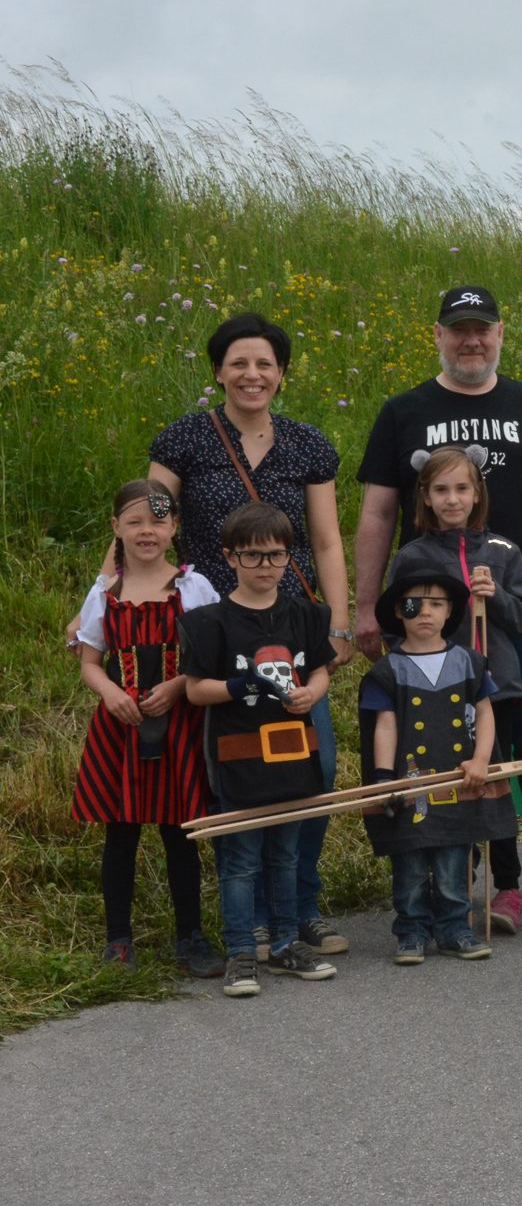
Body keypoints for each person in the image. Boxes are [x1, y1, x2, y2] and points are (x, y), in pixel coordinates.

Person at [354, 285, 522, 920]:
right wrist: (362, 608)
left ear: (500, 333)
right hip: (433, 625)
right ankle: (463, 865)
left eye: (481, 329)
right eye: (458, 329)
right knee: (443, 741)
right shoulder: (403, 410)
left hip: (519, 611)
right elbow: (378, 512)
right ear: (438, 335)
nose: (471, 340)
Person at [136, 312, 353, 960]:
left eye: (265, 364)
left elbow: (326, 539)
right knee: (237, 770)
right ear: (218, 371)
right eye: (239, 363)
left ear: (282, 375)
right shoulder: (183, 441)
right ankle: (249, 918)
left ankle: (299, 909)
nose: (252, 374)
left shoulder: (307, 446)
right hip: (220, 627)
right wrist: (106, 590)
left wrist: (338, 623)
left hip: (294, 627)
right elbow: (147, 524)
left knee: (315, 766)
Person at [180, 502, 337, 998]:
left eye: (275, 555)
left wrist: (314, 691)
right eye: (252, 556)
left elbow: (321, 669)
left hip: (295, 755)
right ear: (229, 558)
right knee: (242, 859)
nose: (265, 566)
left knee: (287, 854)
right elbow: (194, 690)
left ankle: (288, 942)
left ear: (290, 557)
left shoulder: (306, 614)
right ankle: (242, 953)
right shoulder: (209, 621)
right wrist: (238, 683)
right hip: (239, 758)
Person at [383, 446, 522, 935]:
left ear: (477, 494)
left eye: (462, 489)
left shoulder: (505, 551)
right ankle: (452, 887)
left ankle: (507, 886)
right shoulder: (411, 556)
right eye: (441, 490)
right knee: (446, 785)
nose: (452, 499)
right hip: (433, 693)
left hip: (496, 689)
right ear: (425, 497)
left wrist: (497, 598)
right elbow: (396, 624)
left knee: (492, 785)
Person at [72, 479, 222, 975]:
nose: (147, 531)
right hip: (121, 728)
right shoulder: (105, 593)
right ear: (116, 527)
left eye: (158, 521)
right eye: (134, 521)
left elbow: (212, 655)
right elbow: (91, 661)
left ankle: (191, 938)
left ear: (174, 526)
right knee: (122, 834)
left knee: (180, 834)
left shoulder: (193, 588)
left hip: (179, 726)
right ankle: (118, 940)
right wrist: (111, 693)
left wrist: (179, 685)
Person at [361, 570, 510, 964]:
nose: (425, 612)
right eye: (414, 604)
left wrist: (481, 759)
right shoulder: (387, 670)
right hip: (410, 785)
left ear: (449, 613)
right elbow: (386, 725)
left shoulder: (469, 663)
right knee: (409, 862)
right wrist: (382, 779)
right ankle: (411, 931)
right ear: (399, 612)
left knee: (452, 859)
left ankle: (454, 928)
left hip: (457, 782)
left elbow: (485, 712)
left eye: (436, 604)